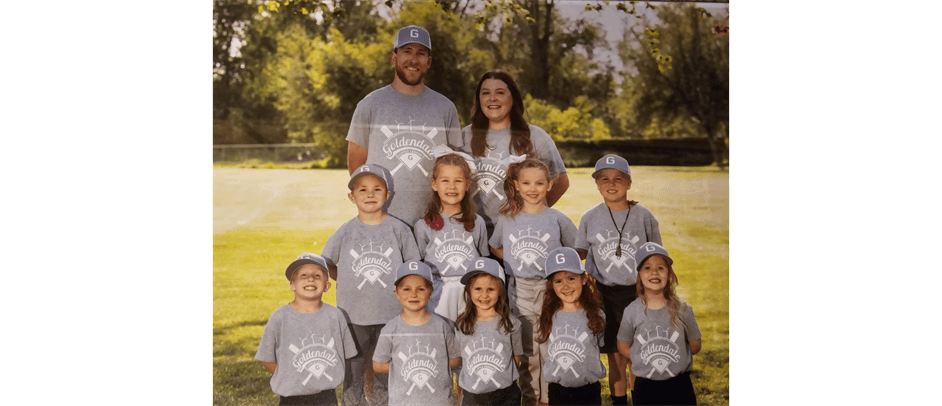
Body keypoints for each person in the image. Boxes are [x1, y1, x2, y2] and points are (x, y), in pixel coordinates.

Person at [321, 164, 421, 406]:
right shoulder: (345, 232)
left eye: (377, 189)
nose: (369, 194)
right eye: (362, 189)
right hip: (353, 316)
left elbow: (413, 269)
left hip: (391, 315)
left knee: (385, 371)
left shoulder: (399, 230)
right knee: (353, 372)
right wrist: (343, 276)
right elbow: (325, 264)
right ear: (351, 196)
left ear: (388, 196)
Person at [346, 25, 464, 229]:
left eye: (420, 53)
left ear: (428, 62)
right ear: (394, 57)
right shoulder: (370, 105)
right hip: (383, 221)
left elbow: (455, 167)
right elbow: (356, 167)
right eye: (406, 51)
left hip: (434, 222)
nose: (413, 59)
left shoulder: (446, 108)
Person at [574, 154, 661, 406]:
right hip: (605, 295)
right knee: (616, 358)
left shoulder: (644, 216)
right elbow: (580, 253)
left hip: (637, 294)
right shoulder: (590, 217)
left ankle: (641, 400)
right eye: (604, 179)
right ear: (597, 185)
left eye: (618, 179)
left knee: (639, 356)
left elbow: (657, 258)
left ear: (629, 183)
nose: (611, 184)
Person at [489, 158, 578, 406]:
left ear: (549, 185)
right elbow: (495, 246)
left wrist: (559, 271)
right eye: (526, 182)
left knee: (551, 346)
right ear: (516, 185)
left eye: (539, 183)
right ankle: (530, 399)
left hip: (551, 290)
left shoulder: (557, 218)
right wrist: (516, 260)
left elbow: (578, 251)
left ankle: (550, 398)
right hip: (519, 289)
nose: (533, 188)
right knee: (528, 349)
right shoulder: (508, 218)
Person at [460, 70, 569, 237]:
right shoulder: (465, 136)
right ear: (479, 99)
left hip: (518, 233)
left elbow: (560, 181)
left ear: (513, 97)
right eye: (485, 93)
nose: (492, 98)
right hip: (473, 232)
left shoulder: (537, 137)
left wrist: (533, 211)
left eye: (500, 93)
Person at [255, 253, 358, 406]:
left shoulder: (335, 316)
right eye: (303, 275)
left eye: (317, 275)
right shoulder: (280, 317)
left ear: (327, 285)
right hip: (291, 397)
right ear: (292, 284)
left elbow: (348, 354)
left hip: (326, 396)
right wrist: (290, 374)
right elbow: (266, 357)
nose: (310, 279)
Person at [616, 243, 702, 406]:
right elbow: (623, 344)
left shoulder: (683, 310)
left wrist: (676, 355)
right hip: (645, 385)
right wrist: (641, 358)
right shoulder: (632, 311)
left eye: (661, 268)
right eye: (647, 268)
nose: (654, 272)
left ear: (669, 274)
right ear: (639, 275)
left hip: (679, 385)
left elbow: (695, 344)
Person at [372, 260, 462, 406]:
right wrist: (407, 367)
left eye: (420, 289)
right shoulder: (390, 329)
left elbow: (455, 359)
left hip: (438, 401)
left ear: (431, 292)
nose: (413, 294)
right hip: (403, 401)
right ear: (397, 293)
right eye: (406, 289)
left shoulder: (442, 326)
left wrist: (431, 366)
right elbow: (378, 365)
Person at [414, 152, 489, 321]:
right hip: (438, 293)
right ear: (434, 184)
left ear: (467, 185)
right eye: (445, 180)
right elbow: (419, 267)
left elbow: (483, 263)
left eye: (458, 181)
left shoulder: (478, 223)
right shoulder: (423, 225)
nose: (452, 187)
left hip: (469, 294)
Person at [536, 247, 606, 406]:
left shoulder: (596, 314)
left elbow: (599, 344)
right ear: (551, 285)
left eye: (571, 278)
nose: (565, 286)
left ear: (583, 279)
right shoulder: (549, 315)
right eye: (558, 281)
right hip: (558, 390)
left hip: (589, 391)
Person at [454, 257, 523, 406]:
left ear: (500, 291)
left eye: (490, 289)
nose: (484, 295)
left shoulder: (511, 323)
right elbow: (459, 360)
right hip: (473, 395)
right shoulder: (462, 325)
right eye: (478, 289)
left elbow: (516, 358)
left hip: (506, 394)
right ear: (468, 291)